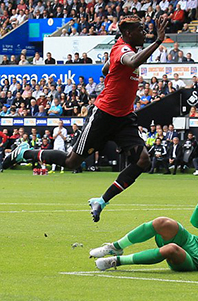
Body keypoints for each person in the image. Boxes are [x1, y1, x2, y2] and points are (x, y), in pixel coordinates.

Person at [2, 15, 169, 222]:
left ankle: (102, 200)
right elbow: (132, 60)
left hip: (124, 118)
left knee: (142, 160)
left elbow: (105, 69)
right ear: (128, 33)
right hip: (103, 116)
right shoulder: (124, 49)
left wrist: (111, 68)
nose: (144, 33)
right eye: (141, 30)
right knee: (72, 162)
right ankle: (25, 152)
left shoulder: (124, 50)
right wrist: (158, 41)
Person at [90, 180, 198, 271]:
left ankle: (116, 261)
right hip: (190, 240)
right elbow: (196, 222)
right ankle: (116, 247)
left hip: (192, 261)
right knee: (162, 222)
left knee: (171, 248)